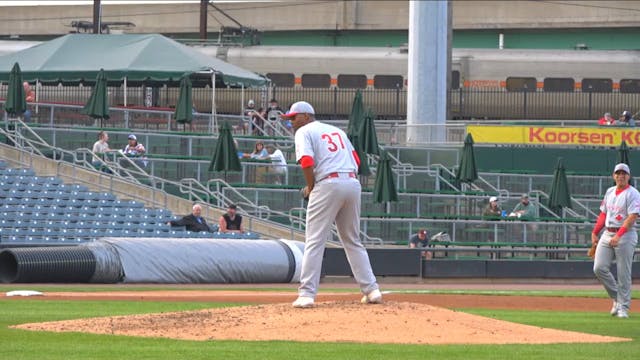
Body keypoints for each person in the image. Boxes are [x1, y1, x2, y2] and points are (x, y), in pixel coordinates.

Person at [282, 101, 381, 308]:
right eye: (289, 118)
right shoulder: (337, 131)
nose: (291, 122)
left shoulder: (304, 131)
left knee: (314, 241)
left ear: (307, 116)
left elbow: (307, 162)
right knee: (353, 240)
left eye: (294, 117)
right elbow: (356, 158)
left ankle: (307, 294)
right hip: (352, 183)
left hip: (328, 183)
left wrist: (310, 187)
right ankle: (372, 290)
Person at [591, 163, 640, 319]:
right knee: (599, 268)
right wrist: (594, 232)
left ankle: (623, 308)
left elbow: (632, 217)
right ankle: (617, 299)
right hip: (607, 233)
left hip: (626, 235)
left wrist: (619, 235)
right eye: (618, 173)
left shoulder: (633, 193)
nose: (621, 176)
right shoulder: (610, 191)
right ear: (613, 176)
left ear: (628, 176)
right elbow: (603, 214)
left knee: (623, 273)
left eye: (624, 173)